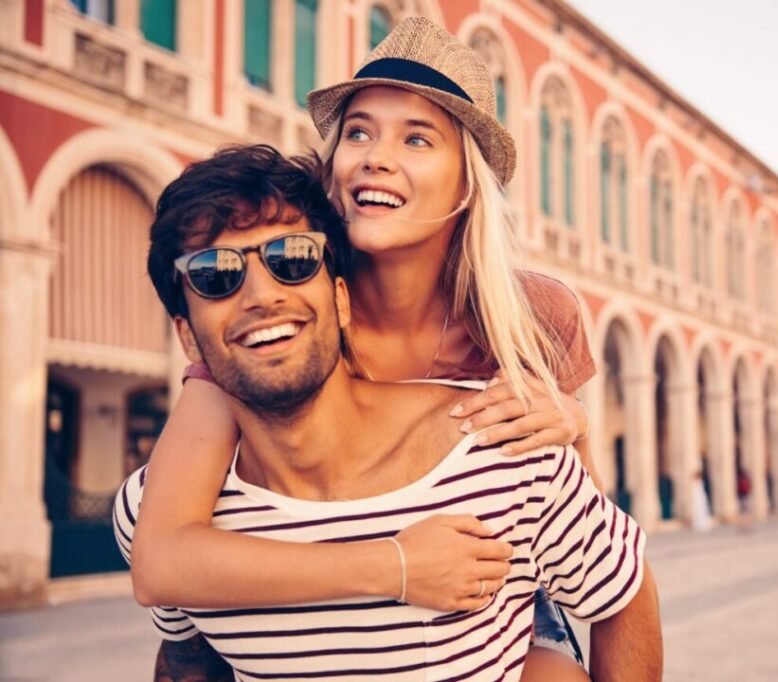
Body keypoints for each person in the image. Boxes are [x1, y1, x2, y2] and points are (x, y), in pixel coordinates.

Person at [127, 18, 634, 679]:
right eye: (359, 132)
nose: (375, 155)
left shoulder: (537, 313)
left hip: (493, 583)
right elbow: (163, 555)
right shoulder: (291, 303)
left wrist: (577, 425)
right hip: (303, 582)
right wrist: (397, 565)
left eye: (416, 137)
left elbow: (581, 528)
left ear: (464, 183)